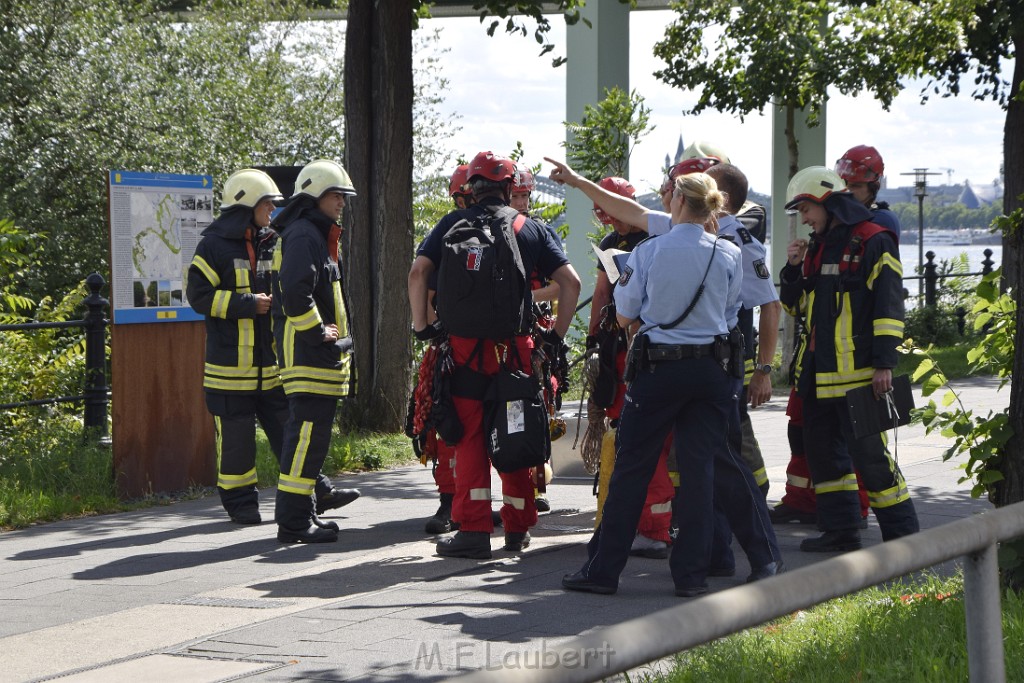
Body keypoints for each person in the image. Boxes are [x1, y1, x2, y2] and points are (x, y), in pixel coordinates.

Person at [550, 160, 781, 596]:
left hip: (659, 371)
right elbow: (732, 313)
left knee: (632, 470)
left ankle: (602, 573)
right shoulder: (729, 252)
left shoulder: (647, 252)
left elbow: (623, 313)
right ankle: (690, 578)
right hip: (712, 374)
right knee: (702, 473)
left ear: (676, 200)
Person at [409, 151, 581, 560]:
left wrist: (422, 327)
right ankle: (517, 528)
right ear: (508, 187)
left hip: (463, 352)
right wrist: (554, 336)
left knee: (467, 437)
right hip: (515, 354)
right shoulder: (530, 227)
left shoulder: (451, 224)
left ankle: (472, 530)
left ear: (470, 188)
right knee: (515, 432)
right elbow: (570, 283)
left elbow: (418, 273)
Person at [779, 166, 919, 552]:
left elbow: (889, 308)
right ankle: (840, 530)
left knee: (872, 459)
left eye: (806, 208)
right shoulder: (818, 247)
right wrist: (792, 270)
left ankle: (903, 536)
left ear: (827, 200)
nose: (804, 218)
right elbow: (795, 309)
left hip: (861, 375)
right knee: (825, 460)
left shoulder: (874, 240)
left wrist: (885, 364)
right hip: (818, 377)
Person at [186, 169, 286, 525]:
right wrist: (246, 304)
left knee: (288, 430)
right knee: (237, 445)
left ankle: (312, 492)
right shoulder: (213, 245)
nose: (273, 208)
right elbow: (198, 296)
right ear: (247, 204)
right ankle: (241, 505)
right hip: (230, 371)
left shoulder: (272, 241)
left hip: (271, 367)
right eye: (267, 202)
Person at [272, 159, 359, 544]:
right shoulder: (305, 234)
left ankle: (303, 513)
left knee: (310, 441)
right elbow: (294, 292)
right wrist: (318, 332)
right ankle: (292, 522)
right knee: (305, 439)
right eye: (336, 195)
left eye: (343, 196)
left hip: (316, 358)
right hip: (308, 358)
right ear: (315, 196)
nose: (342, 202)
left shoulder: (310, 231)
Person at [835, 145, 901, 238]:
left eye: (855, 185)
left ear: (873, 188)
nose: (847, 190)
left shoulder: (883, 219)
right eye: (844, 184)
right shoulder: (843, 216)